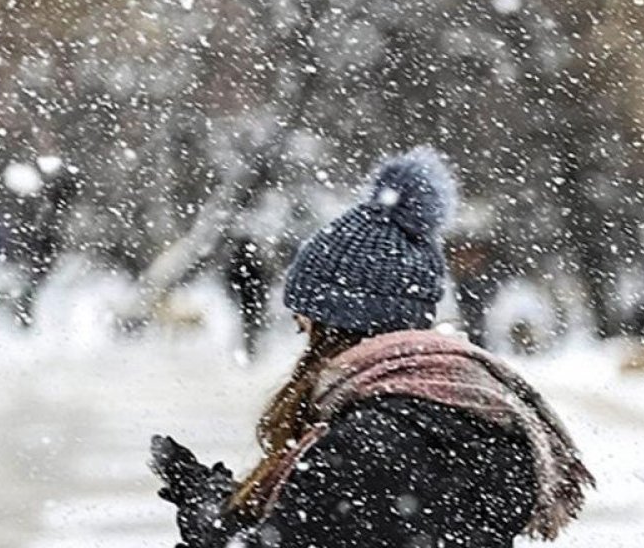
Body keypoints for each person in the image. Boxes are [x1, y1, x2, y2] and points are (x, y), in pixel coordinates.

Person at [151, 148, 593, 548]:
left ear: (342, 322)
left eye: (309, 320)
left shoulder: (366, 445)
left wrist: (205, 521)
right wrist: (217, 504)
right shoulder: (476, 413)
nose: (301, 329)